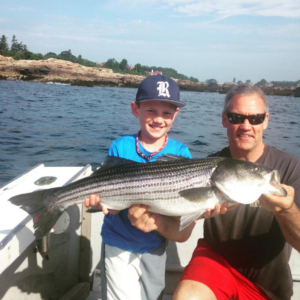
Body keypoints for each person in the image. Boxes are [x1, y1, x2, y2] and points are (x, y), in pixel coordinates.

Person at [129, 84, 300, 300]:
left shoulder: (289, 168)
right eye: (237, 117)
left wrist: (286, 211)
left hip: (268, 284)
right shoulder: (206, 166)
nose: (246, 126)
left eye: (255, 118)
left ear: (266, 120)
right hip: (215, 262)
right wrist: (157, 223)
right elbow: (182, 233)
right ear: (224, 120)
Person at [84, 75, 192, 300]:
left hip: (155, 246)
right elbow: (110, 201)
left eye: (166, 113)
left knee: (153, 296)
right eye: (151, 110)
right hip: (118, 243)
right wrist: (101, 202)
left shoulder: (181, 153)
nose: (159, 119)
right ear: (136, 109)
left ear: (176, 115)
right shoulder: (120, 146)